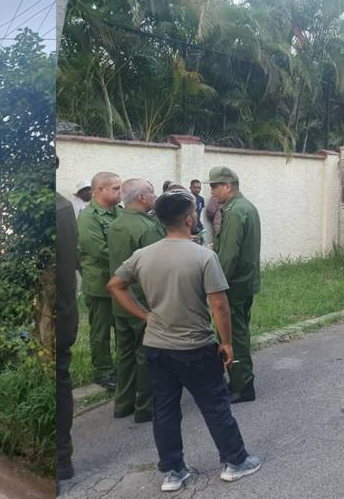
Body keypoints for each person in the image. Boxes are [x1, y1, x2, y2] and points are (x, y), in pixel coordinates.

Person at [108, 189, 262, 493]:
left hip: (156, 347)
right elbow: (219, 305)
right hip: (195, 347)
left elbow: (115, 284)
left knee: (165, 410)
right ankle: (235, 462)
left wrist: (145, 315)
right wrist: (227, 343)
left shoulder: (143, 255)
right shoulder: (204, 256)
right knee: (215, 406)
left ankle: (173, 472)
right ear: (190, 217)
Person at [107, 179, 165, 423]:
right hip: (142, 301)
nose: (154, 196)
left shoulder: (116, 223)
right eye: (151, 192)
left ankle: (123, 403)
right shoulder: (147, 228)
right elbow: (156, 267)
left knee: (125, 354)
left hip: (120, 300)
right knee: (145, 355)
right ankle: (145, 407)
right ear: (141, 198)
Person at [209, 166, 261, 403]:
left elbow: (229, 255)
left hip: (234, 284)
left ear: (228, 186)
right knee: (239, 332)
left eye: (215, 187)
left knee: (234, 335)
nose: (212, 192)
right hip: (245, 281)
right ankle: (240, 380)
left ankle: (242, 385)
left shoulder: (234, 211)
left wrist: (216, 284)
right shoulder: (245, 207)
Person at [77, 171, 122, 390]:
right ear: (98, 191)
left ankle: (122, 366)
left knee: (122, 326)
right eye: (115, 188)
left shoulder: (118, 212)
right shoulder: (88, 217)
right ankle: (104, 371)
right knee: (101, 330)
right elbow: (98, 250)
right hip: (101, 283)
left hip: (121, 281)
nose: (120, 192)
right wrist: (132, 259)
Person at [56, 191, 79, 485]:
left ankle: (60, 460)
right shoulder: (63, 208)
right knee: (60, 382)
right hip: (62, 318)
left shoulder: (61, 208)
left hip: (56, 320)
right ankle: (61, 460)